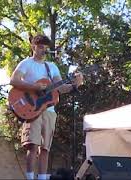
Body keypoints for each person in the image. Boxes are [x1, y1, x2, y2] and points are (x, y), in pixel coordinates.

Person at [9, 34, 83, 180]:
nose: (43, 50)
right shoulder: (26, 63)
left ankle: (42, 178)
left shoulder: (51, 67)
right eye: (41, 47)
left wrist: (75, 85)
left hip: (48, 110)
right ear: (33, 46)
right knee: (32, 145)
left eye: (46, 48)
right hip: (31, 109)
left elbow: (60, 88)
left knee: (45, 149)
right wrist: (34, 86)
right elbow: (14, 80)